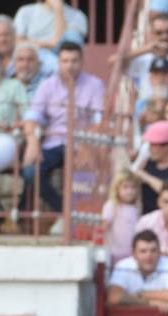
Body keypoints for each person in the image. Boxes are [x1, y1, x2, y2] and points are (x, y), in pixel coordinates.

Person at [21, 42, 102, 216]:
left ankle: (79, 217)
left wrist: (89, 147)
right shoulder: (48, 85)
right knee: (30, 172)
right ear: (58, 62)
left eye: (74, 61)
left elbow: (98, 121)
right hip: (54, 143)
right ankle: (65, 212)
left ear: (81, 62)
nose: (70, 66)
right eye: (65, 61)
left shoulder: (95, 84)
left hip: (83, 145)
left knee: (91, 176)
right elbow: (32, 116)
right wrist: (32, 142)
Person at [0, 46, 25, 216]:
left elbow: (27, 117)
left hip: (6, 139)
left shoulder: (14, 86)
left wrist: (9, 125)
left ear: (2, 65)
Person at [108, 229, 168, 312]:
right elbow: (114, 297)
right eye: (143, 251)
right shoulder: (123, 266)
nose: (149, 256)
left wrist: (139, 294)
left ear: (159, 252)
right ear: (133, 254)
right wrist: (150, 302)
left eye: (153, 250)